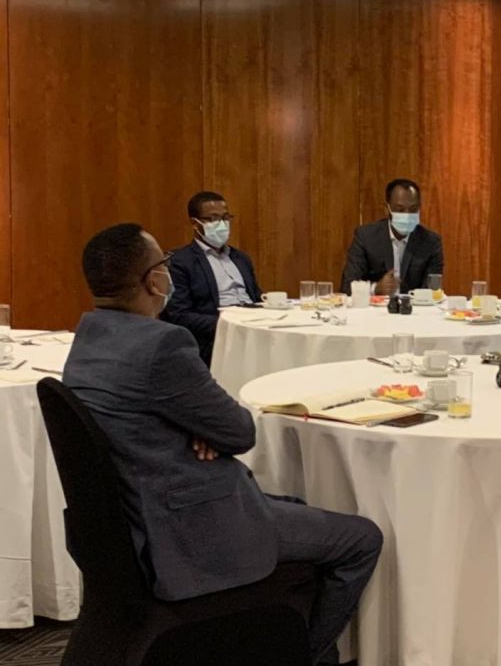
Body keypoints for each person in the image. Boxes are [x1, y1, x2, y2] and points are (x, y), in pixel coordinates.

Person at [63, 224, 382, 666]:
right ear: (154, 281)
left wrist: (195, 428)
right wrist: (205, 429)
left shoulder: (88, 337)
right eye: (164, 264)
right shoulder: (162, 345)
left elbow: (160, 420)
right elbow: (239, 432)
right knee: (361, 538)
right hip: (191, 528)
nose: (169, 272)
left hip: (133, 521)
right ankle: (304, 656)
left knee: (293, 503)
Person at [163, 191, 261, 366]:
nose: (222, 224)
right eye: (213, 219)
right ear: (195, 223)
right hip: (215, 338)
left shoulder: (241, 258)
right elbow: (179, 315)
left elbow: (257, 297)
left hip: (254, 329)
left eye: (225, 218)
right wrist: (228, 323)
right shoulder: (181, 262)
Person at [341, 178, 443, 295]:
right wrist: (375, 289)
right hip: (374, 306)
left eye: (413, 209)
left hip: (414, 306)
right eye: (400, 209)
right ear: (387, 209)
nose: (407, 215)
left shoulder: (431, 242)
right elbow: (347, 286)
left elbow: (433, 290)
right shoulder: (366, 237)